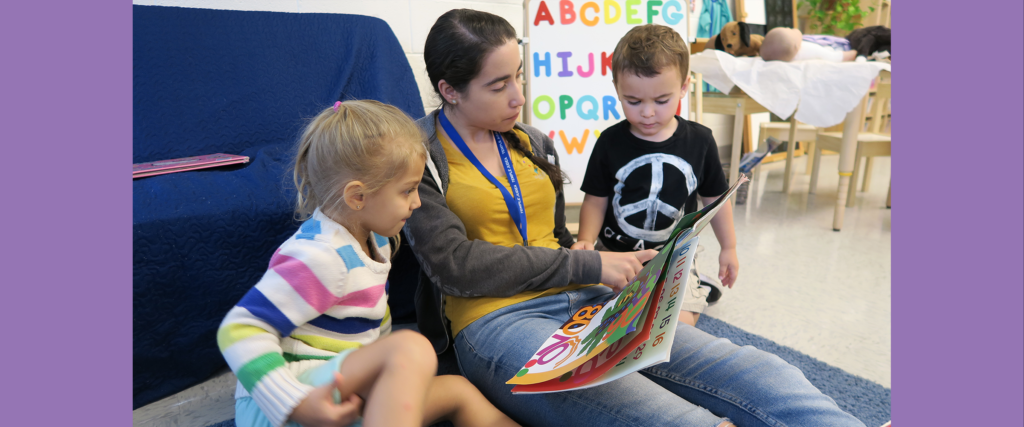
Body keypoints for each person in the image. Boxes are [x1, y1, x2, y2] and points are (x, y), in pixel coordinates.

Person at [404, 8, 866, 427]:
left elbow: (555, 236)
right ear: (450, 90)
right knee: (666, 416)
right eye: (498, 85)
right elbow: (455, 266)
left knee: (758, 371)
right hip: (496, 321)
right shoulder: (418, 158)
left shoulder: (529, 142)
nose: (518, 97)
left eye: (518, 77)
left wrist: (592, 262)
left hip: (583, 299)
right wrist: (591, 263)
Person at [217, 100, 518, 427]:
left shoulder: (376, 243)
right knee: (410, 347)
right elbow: (238, 329)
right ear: (357, 197)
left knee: (457, 390)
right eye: (408, 191)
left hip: (341, 397)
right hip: (288, 408)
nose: (417, 202)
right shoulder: (321, 255)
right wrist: (295, 403)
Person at [573, 24, 736, 327]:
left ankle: (696, 283)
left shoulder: (700, 141)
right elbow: (596, 199)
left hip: (674, 257)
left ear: (684, 87)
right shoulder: (609, 142)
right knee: (601, 319)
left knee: (678, 329)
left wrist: (729, 247)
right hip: (615, 252)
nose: (647, 113)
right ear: (616, 88)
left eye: (662, 101)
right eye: (633, 101)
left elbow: (715, 199)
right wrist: (585, 240)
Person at [761, 27, 859, 62]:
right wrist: (856, 53)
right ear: (796, 46)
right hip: (837, 49)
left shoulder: (783, 54)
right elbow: (834, 57)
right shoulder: (807, 49)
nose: (791, 28)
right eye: (789, 29)